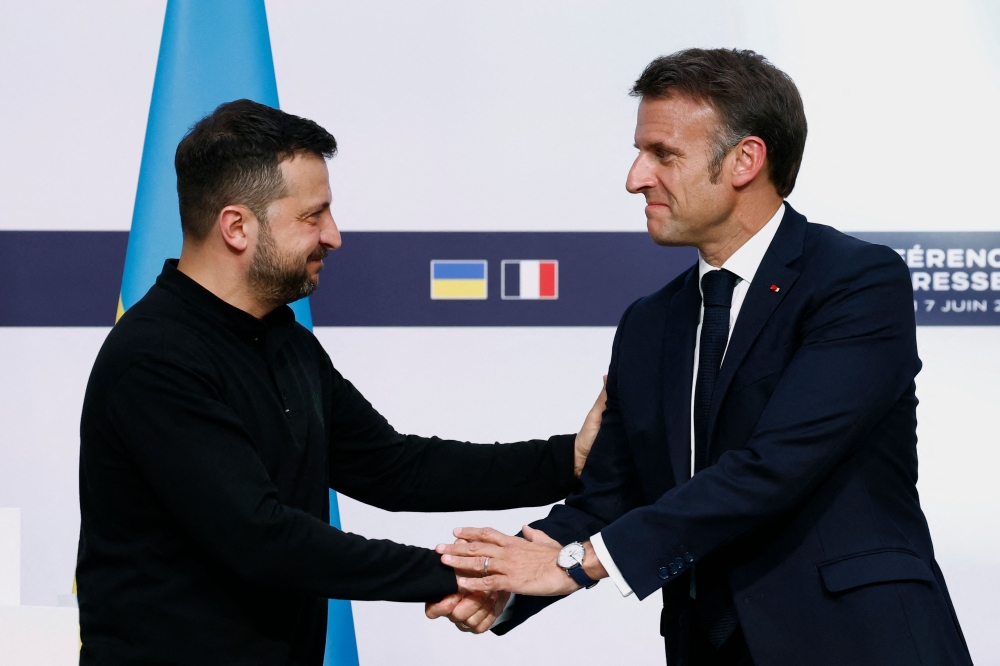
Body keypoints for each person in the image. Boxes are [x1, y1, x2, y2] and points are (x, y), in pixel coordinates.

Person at [432, 48, 973, 666]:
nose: (635, 177)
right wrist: (504, 583)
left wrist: (574, 564)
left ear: (745, 159)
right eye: (640, 153)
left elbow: (774, 465)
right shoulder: (648, 321)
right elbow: (611, 494)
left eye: (663, 154)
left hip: (857, 641)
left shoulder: (856, 282)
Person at [76, 99, 606, 665]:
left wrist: (568, 461)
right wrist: (461, 573)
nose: (334, 236)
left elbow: (396, 469)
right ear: (236, 226)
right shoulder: (155, 359)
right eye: (313, 215)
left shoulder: (284, 340)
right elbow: (262, 539)